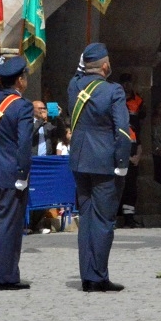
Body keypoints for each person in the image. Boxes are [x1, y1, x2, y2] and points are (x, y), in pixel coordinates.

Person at [67, 42, 132, 293]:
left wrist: (83, 61)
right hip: (105, 162)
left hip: (80, 159)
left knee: (87, 218)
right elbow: (122, 130)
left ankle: (87, 274)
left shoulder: (74, 86)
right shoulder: (113, 90)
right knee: (104, 220)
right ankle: (98, 277)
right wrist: (123, 162)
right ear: (105, 66)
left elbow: (77, 73)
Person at [0, 56, 35, 290]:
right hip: (11, 171)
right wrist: (23, 173)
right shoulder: (22, 106)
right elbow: (23, 144)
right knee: (9, 226)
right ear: (20, 81)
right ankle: (5, 276)